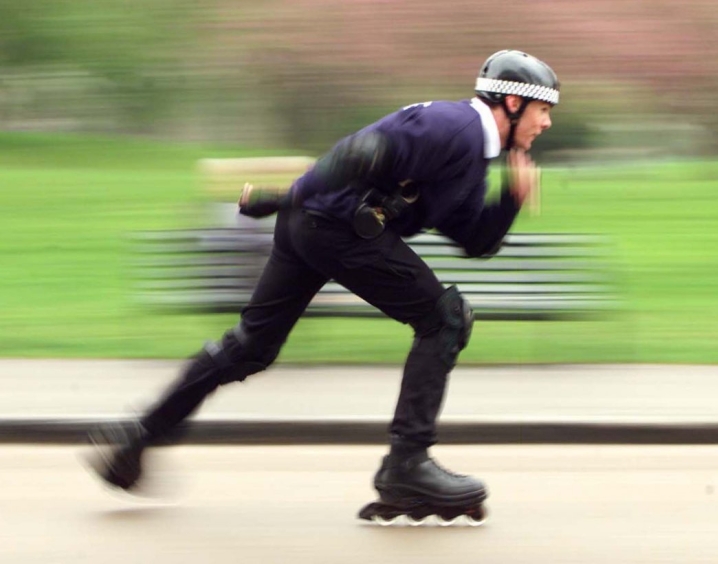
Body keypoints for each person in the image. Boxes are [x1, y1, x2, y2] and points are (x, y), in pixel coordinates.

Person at [85, 49, 559, 525]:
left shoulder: (472, 160)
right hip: (333, 225)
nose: (547, 124)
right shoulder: (451, 127)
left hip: (315, 224)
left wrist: (512, 197)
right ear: (514, 103)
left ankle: (137, 438)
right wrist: (283, 197)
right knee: (444, 318)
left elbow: (475, 240)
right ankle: (408, 465)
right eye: (543, 111)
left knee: (251, 347)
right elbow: (357, 153)